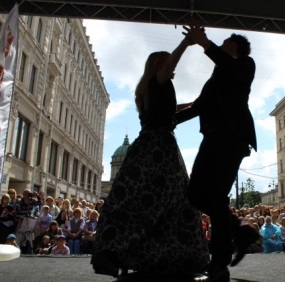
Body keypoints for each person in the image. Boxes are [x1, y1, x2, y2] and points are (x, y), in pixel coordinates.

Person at [91, 34, 209, 280]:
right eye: (167, 65)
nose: (172, 70)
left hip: (150, 147)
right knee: (171, 202)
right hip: (159, 150)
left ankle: (146, 254)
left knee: (152, 202)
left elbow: (171, 114)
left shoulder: (149, 90)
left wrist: (196, 106)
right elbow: (170, 73)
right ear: (159, 66)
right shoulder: (158, 82)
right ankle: (177, 256)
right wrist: (186, 43)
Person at [177, 24, 259, 281]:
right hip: (212, 138)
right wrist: (165, 120)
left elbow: (230, 67)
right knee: (196, 195)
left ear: (233, 46)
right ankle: (240, 230)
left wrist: (204, 43)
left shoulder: (245, 64)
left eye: (224, 43)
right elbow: (199, 106)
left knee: (214, 196)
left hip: (232, 139)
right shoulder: (217, 74)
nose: (220, 46)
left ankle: (220, 260)